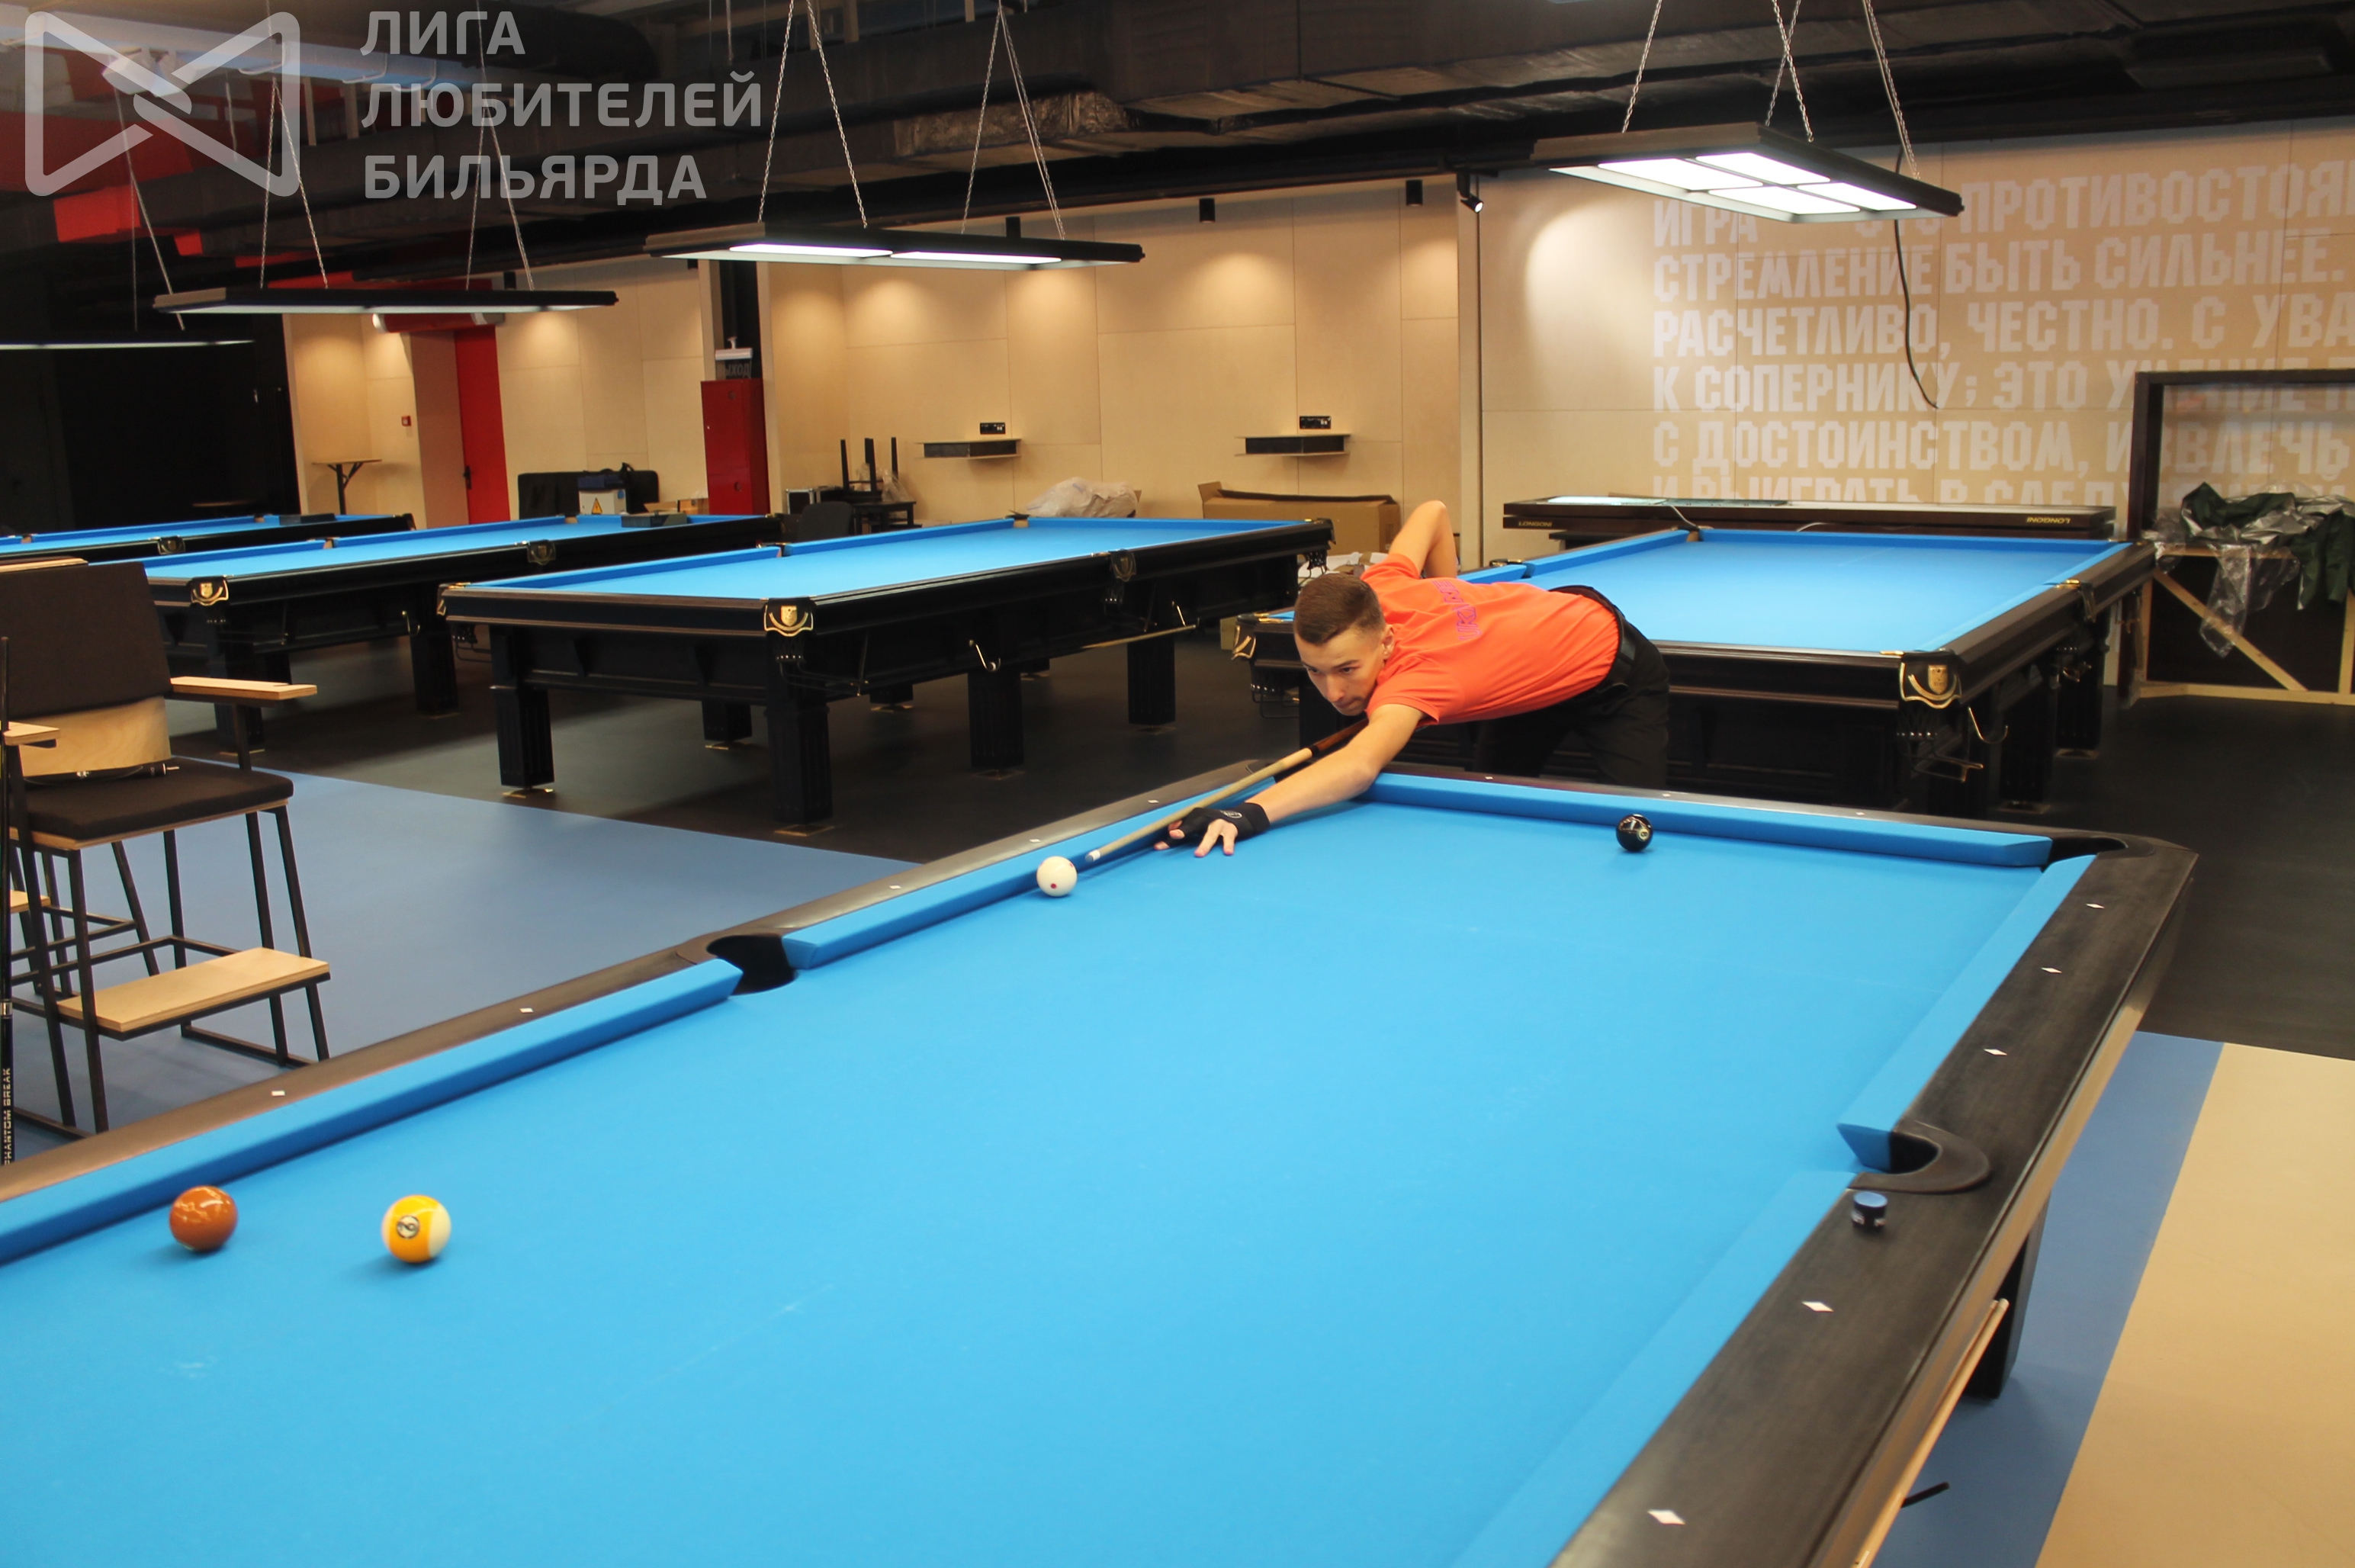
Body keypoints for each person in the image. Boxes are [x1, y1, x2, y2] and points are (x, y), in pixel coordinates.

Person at [1166, 499, 1671, 856]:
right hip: (1527, 686)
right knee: (1487, 804)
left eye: (1348, 669)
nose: (1334, 692)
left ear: (1385, 642)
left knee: (1637, 821)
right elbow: (1433, 511)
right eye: (1314, 672)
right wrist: (1453, 595)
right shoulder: (1381, 585)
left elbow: (1360, 765)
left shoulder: (1416, 680)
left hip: (1615, 671)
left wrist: (1250, 812)